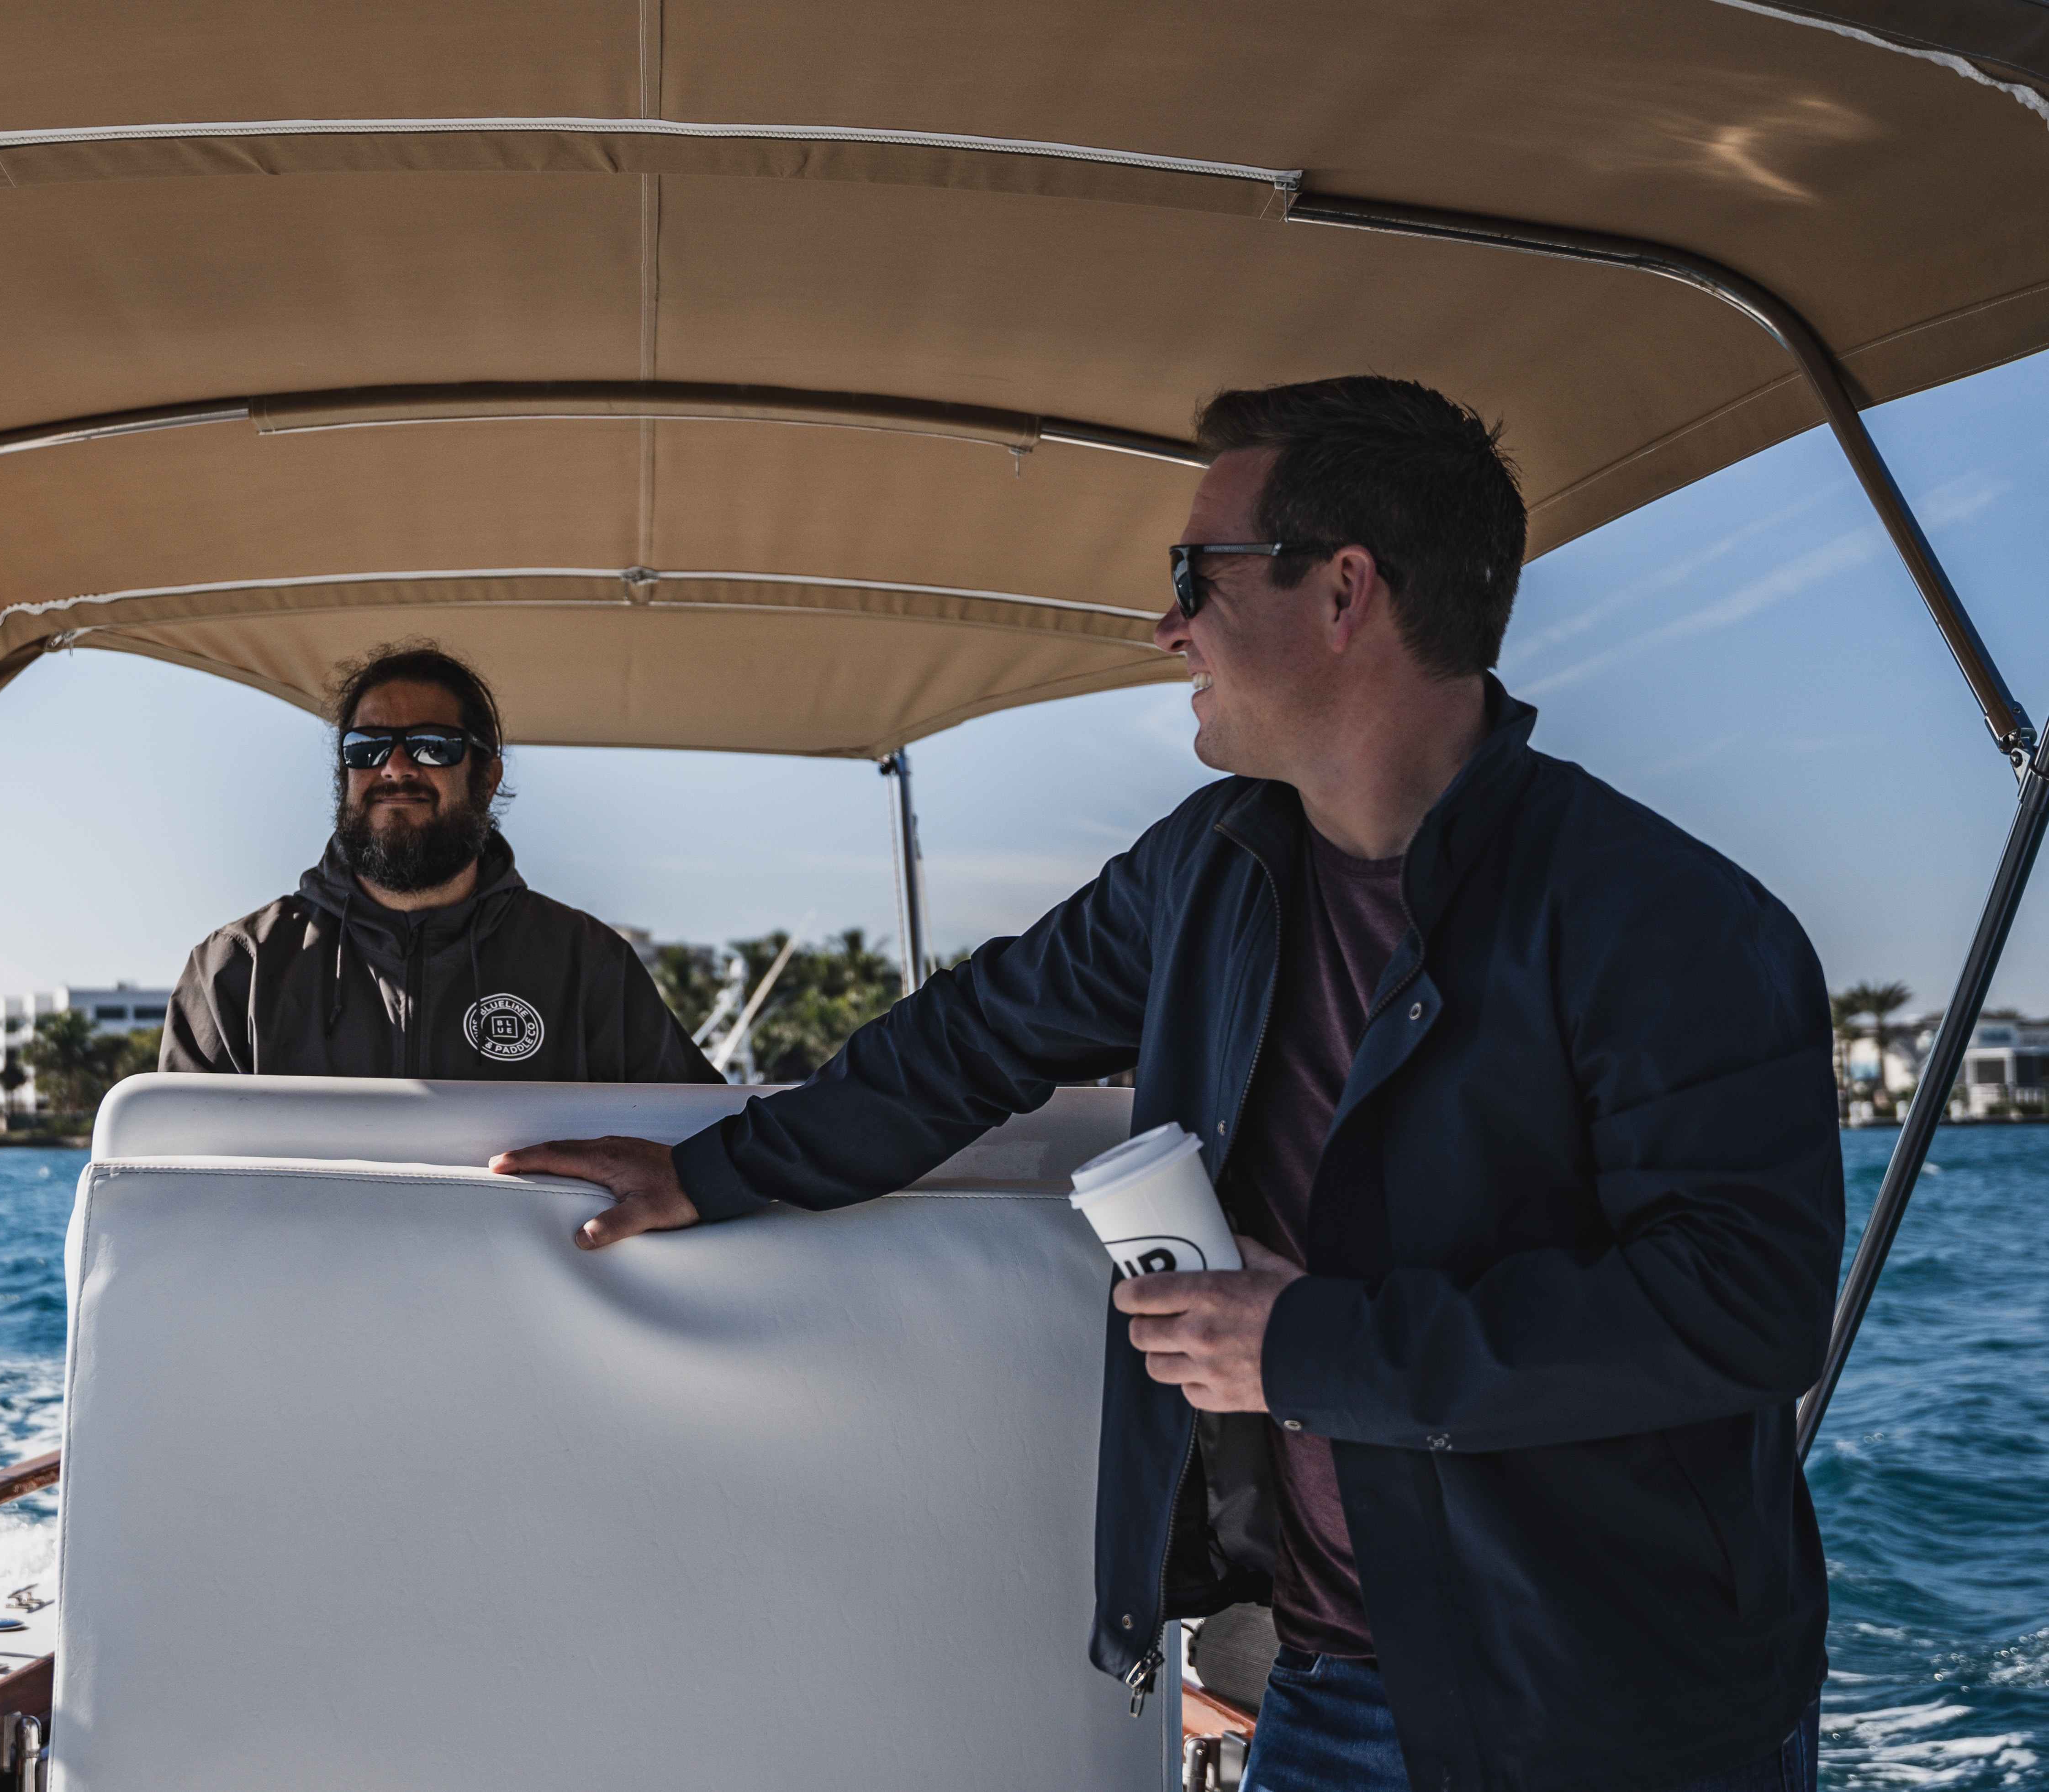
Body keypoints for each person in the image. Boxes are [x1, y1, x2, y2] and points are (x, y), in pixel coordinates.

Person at [495, 378, 1839, 1792]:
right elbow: (973, 1040)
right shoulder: (1208, 873)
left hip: (1615, 1716)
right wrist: (708, 1172)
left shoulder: (1668, 920)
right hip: (1323, 1688)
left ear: (1343, 592)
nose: (1168, 624)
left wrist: (1310, 1347)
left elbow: (1741, 1306)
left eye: (1195, 573)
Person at [162, 642, 722, 1084]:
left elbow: (695, 1146)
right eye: (367, 748)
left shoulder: (589, 969)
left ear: (487, 776)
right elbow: (169, 1185)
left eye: (433, 746)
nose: (395, 767)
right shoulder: (240, 969)